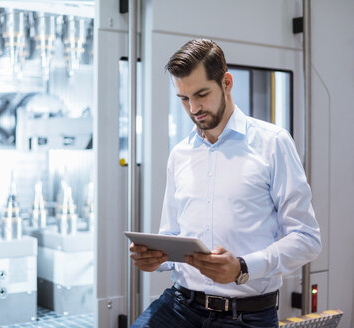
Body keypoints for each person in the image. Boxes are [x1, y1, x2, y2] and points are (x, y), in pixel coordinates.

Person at [129, 39, 321, 327]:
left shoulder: (273, 144)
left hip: (247, 315)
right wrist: (156, 258)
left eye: (201, 94)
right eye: (183, 98)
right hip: (181, 305)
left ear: (226, 82)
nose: (194, 108)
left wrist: (243, 268)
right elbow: (172, 234)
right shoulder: (180, 154)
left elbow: (307, 239)